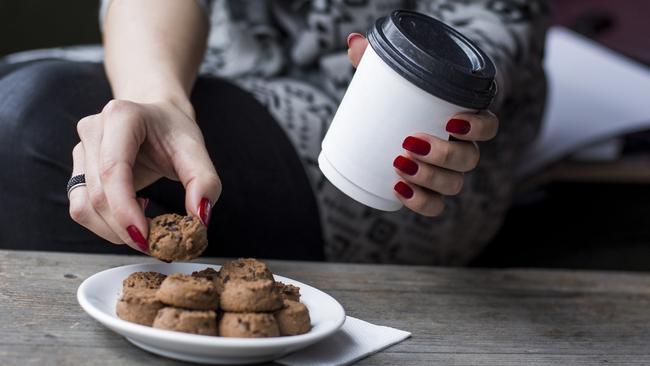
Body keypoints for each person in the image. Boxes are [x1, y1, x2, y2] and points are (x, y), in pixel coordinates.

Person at [0, 0, 548, 264]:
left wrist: (442, 90)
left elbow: (488, 37)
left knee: (34, 125)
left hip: (377, 110)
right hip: (209, 56)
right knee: (21, 102)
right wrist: (158, 102)